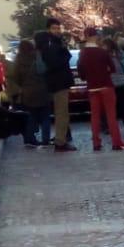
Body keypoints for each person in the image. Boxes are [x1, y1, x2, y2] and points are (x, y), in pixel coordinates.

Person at [76, 29, 124, 153]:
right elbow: (112, 68)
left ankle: (96, 142)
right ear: (95, 37)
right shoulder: (102, 52)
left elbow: (81, 72)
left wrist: (88, 77)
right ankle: (116, 142)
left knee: (95, 116)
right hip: (106, 85)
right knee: (111, 115)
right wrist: (105, 71)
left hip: (92, 87)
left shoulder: (83, 53)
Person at [39, 19, 76, 151]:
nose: (57, 31)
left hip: (59, 81)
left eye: (58, 28)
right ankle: (60, 141)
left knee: (62, 112)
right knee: (61, 113)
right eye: (54, 28)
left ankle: (62, 139)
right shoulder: (50, 44)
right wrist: (65, 53)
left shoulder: (53, 42)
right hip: (58, 81)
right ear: (49, 29)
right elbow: (54, 62)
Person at [8, 37, 51, 147]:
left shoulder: (19, 59)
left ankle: (30, 138)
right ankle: (46, 139)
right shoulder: (37, 55)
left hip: (28, 92)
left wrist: (23, 85)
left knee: (31, 116)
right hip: (42, 90)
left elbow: (14, 76)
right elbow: (45, 70)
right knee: (45, 116)